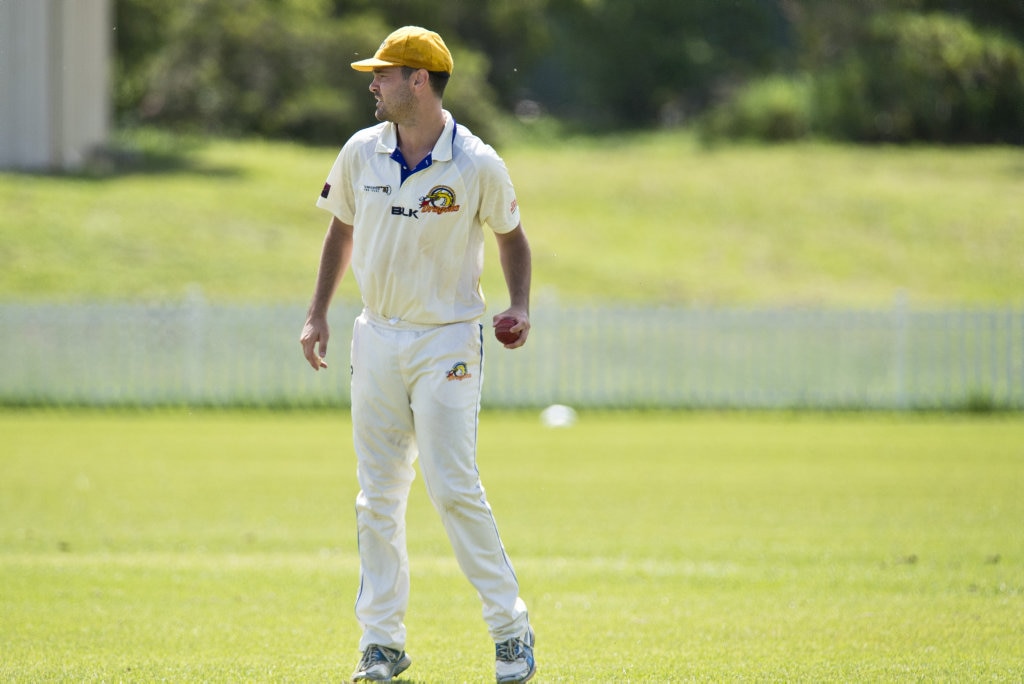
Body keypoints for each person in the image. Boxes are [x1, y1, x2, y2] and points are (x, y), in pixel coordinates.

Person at [299, 26, 536, 684]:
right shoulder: (359, 152)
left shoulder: (476, 163)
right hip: (376, 336)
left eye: (384, 74)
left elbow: (513, 239)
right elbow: (340, 230)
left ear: (418, 81)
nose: (372, 84)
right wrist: (317, 313)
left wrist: (518, 304)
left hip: (448, 338)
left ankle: (511, 632)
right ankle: (382, 644)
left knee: (453, 487)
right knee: (376, 499)